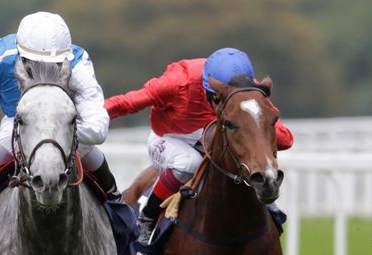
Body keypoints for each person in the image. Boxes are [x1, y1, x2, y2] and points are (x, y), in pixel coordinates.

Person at [105, 47, 294, 244]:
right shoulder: (176, 82)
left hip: (208, 133)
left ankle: (264, 204)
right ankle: (147, 218)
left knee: (236, 153)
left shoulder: (246, 88)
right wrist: (90, 117)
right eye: (220, 99)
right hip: (168, 137)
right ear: (209, 91)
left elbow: (285, 138)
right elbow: (126, 103)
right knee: (189, 163)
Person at [0, 11, 118, 236]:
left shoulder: (78, 63)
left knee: (96, 159)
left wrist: (65, 132)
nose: (45, 70)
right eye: (36, 64)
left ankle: (118, 208)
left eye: (54, 65)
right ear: (21, 55)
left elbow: (97, 124)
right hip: (20, 123)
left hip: (65, 125)